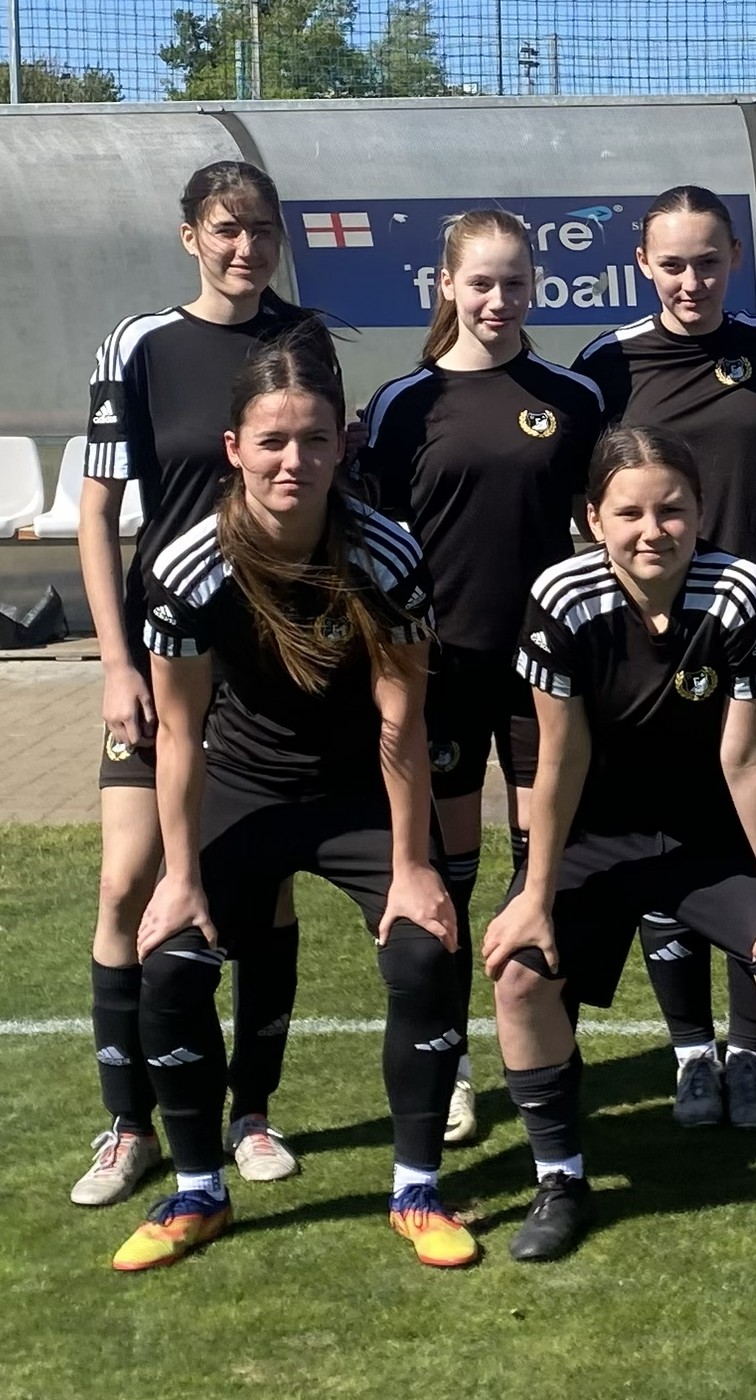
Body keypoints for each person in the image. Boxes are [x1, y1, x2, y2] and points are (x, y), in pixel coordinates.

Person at [115, 324, 472, 1271]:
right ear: (234, 448)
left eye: (314, 439)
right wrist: (179, 877)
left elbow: (403, 720)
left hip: (361, 789)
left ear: (342, 445)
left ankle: (416, 1190)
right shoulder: (186, 567)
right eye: (272, 441)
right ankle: (198, 1191)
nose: (293, 461)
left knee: (426, 950)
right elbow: (179, 734)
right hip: (243, 784)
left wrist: (412, 867)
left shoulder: (386, 553)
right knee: (172, 964)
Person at [485, 425, 756, 1263]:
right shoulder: (561, 595)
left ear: (700, 511)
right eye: (630, 513)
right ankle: (560, 1180)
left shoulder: (740, 588)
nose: (653, 531)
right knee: (520, 976)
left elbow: (749, 757)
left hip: (715, 831)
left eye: (672, 510)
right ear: (593, 519)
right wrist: (534, 894)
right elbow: (559, 758)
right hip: (598, 833)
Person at [75, 160, 317, 1207]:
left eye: (261, 228)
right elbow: (98, 514)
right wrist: (115, 659)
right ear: (191, 236)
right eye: (226, 228)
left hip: (272, 667)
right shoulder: (138, 344)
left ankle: (251, 1112)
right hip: (162, 661)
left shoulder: (304, 341)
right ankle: (129, 1123)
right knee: (127, 883)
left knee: (264, 888)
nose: (244, 247)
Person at [358, 209, 605, 1145]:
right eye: (482, 283)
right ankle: (451, 1058)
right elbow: (375, 543)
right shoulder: (402, 404)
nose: (499, 300)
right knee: (448, 875)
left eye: (515, 283)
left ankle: (544, 1042)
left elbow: (602, 527)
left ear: (535, 285)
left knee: (543, 865)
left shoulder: (571, 397)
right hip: (443, 674)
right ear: (447, 287)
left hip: (545, 673)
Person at [574, 186, 756, 1130]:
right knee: (662, 830)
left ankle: (751, 1050)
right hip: (653, 633)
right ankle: (691, 1054)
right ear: (642, 263)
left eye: (708, 261)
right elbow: (584, 481)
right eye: (672, 263)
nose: (691, 281)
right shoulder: (609, 363)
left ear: (734, 258)